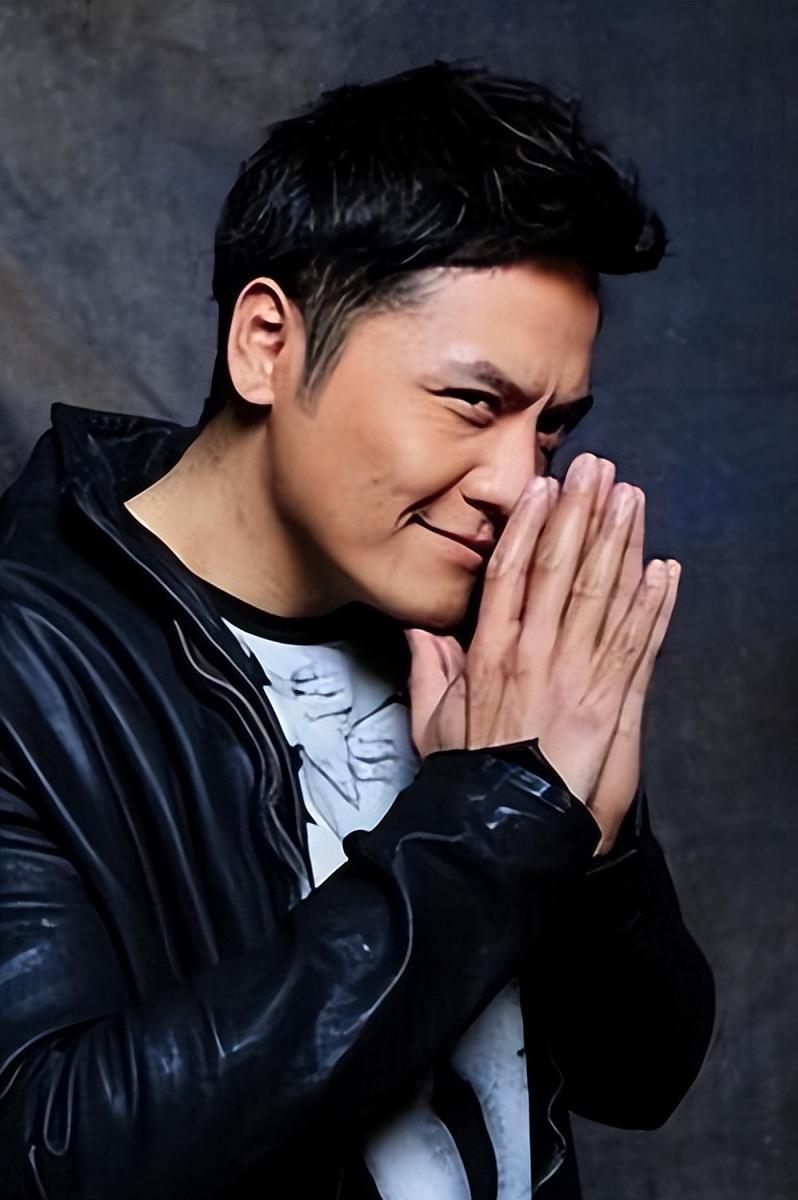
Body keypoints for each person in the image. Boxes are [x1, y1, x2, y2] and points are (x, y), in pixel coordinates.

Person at [0, 60, 715, 1200]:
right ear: (266, 344)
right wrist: (498, 813)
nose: (517, 483)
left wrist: (596, 850)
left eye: (551, 426)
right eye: (473, 403)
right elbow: (54, 1151)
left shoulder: (488, 624)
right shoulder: (29, 662)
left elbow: (640, 1074)